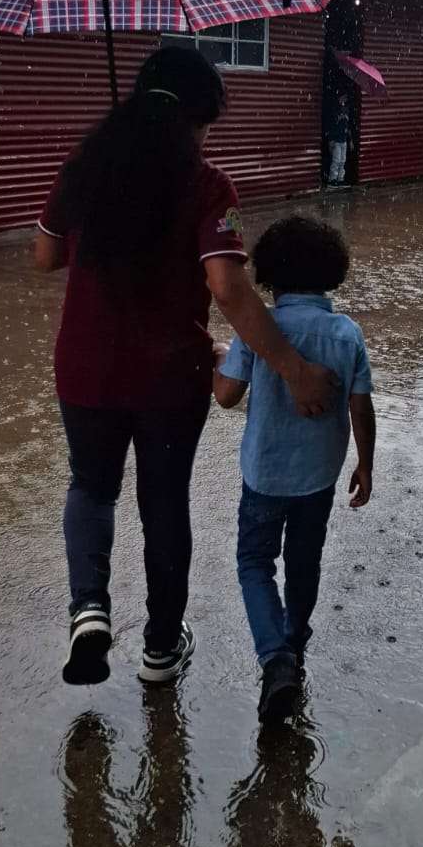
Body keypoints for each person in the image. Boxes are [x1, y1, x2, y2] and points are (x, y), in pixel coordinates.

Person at [34, 47, 336, 689]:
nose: (206, 138)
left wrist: (109, 222)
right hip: (168, 379)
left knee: (91, 486)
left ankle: (89, 609)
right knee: (164, 501)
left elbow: (44, 255)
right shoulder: (206, 185)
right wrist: (291, 367)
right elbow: (227, 286)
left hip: (86, 367)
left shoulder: (85, 167)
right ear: (194, 119)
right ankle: (161, 648)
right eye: (207, 125)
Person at [213, 215, 376, 722]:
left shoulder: (259, 329)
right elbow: (361, 405)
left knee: (254, 562)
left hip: (264, 475)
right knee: (305, 561)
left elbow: (226, 395)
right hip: (318, 477)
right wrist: (366, 465)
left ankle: (275, 656)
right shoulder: (346, 334)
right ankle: (295, 641)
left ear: (269, 273)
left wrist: (214, 355)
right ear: (331, 271)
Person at [327, 91, 351, 186]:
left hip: (343, 138)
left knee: (342, 160)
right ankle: (332, 179)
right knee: (336, 160)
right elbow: (331, 125)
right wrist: (331, 139)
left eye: (346, 97)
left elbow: (347, 126)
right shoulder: (334, 109)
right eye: (343, 97)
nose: (345, 99)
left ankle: (340, 178)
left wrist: (350, 140)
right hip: (336, 139)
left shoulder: (346, 109)